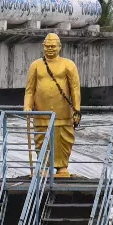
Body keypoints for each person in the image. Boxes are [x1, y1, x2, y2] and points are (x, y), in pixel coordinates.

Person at [23, 32, 82, 177]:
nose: (50, 49)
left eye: (53, 46)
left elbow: (75, 89)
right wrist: (27, 106)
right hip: (41, 112)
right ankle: (42, 167)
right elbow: (29, 90)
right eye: (47, 46)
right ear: (43, 47)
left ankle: (62, 167)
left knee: (63, 139)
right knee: (42, 138)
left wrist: (77, 109)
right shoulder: (35, 65)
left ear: (59, 47)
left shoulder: (68, 65)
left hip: (63, 112)